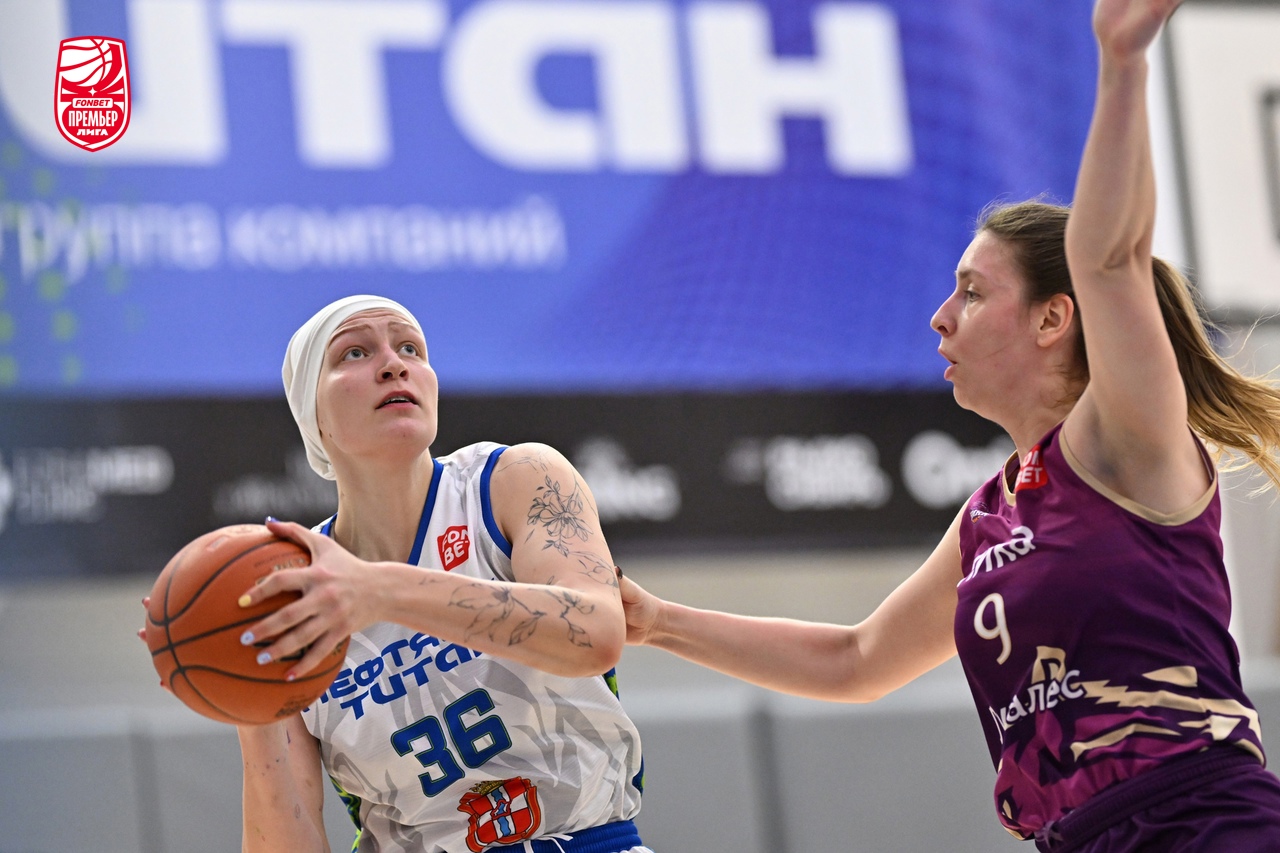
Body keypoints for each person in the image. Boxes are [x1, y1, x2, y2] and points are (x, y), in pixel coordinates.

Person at [619, 1, 1280, 850]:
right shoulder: (991, 515)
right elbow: (856, 660)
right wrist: (656, 620)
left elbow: (1110, 259)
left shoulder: (1125, 438)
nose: (940, 315)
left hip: (1202, 820)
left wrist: (1122, 65)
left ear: (1053, 317)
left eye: (972, 291)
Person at [215, 295, 647, 852]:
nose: (393, 364)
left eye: (410, 348)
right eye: (354, 353)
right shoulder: (292, 594)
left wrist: (383, 591)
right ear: (311, 416)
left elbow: (596, 633)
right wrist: (248, 704)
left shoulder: (511, 480)